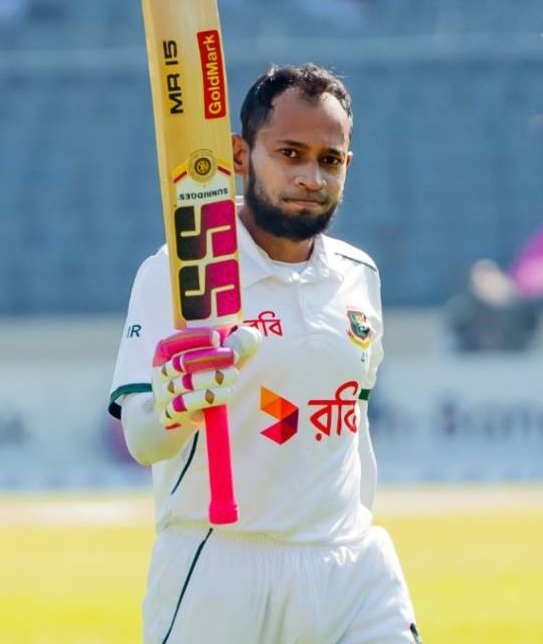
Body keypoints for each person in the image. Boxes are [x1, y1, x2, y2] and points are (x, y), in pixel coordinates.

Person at [109, 64, 421, 643]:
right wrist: (178, 405)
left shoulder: (359, 276)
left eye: (329, 160)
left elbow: (351, 424)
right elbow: (143, 440)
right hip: (221, 566)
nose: (310, 176)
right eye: (289, 153)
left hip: (351, 564)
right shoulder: (182, 274)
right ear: (238, 155)